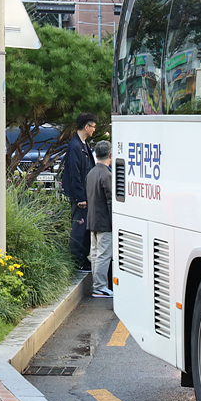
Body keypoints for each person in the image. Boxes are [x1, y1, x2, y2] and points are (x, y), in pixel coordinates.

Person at [59, 113, 99, 272]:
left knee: (84, 228)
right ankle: (78, 260)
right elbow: (75, 174)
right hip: (80, 196)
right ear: (86, 127)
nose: (94, 130)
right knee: (79, 228)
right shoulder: (75, 146)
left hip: (85, 194)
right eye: (93, 127)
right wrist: (80, 197)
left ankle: (83, 258)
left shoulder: (82, 144)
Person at [85, 141, 114, 298]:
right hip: (104, 222)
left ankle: (97, 285)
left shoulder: (91, 173)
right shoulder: (107, 175)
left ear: (96, 155)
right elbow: (110, 201)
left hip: (92, 220)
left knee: (96, 254)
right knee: (103, 255)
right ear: (110, 155)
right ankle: (100, 287)